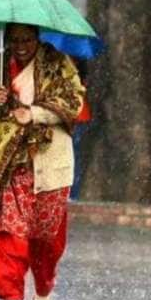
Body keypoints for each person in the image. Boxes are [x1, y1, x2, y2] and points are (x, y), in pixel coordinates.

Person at [0, 23, 85, 300]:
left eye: (27, 39)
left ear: (38, 38)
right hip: (5, 161)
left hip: (49, 159)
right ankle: (11, 296)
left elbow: (73, 103)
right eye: (14, 40)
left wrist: (34, 113)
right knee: (6, 226)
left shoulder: (59, 64)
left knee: (46, 234)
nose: (21, 45)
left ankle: (44, 289)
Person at [70, 59, 91, 201]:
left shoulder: (70, 72)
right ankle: (72, 193)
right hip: (79, 117)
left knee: (73, 157)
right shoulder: (80, 67)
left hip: (75, 118)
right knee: (75, 157)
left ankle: (72, 193)